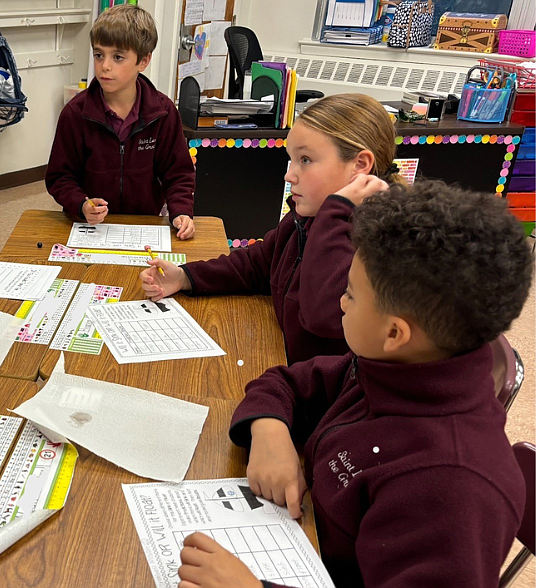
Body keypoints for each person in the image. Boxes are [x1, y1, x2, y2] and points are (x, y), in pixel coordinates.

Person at [177, 181, 533, 588]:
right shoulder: (396, 365)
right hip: (299, 542)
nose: (340, 302)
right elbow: (288, 380)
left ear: (395, 333)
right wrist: (269, 429)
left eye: (349, 293)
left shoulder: (453, 491)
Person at [141, 94, 398, 364]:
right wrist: (185, 277)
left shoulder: (377, 247)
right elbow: (257, 263)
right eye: (293, 160)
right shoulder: (304, 219)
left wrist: (333, 214)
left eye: (306, 160)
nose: (289, 174)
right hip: (279, 359)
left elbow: (322, 315)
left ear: (359, 166)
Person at [45, 4, 196, 239]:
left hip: (144, 225)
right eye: (98, 54)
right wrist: (82, 204)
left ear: (143, 61)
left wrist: (181, 211)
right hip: (88, 227)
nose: (105, 65)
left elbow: (178, 173)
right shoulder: (75, 113)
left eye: (117, 57)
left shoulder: (163, 112)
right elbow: (60, 177)